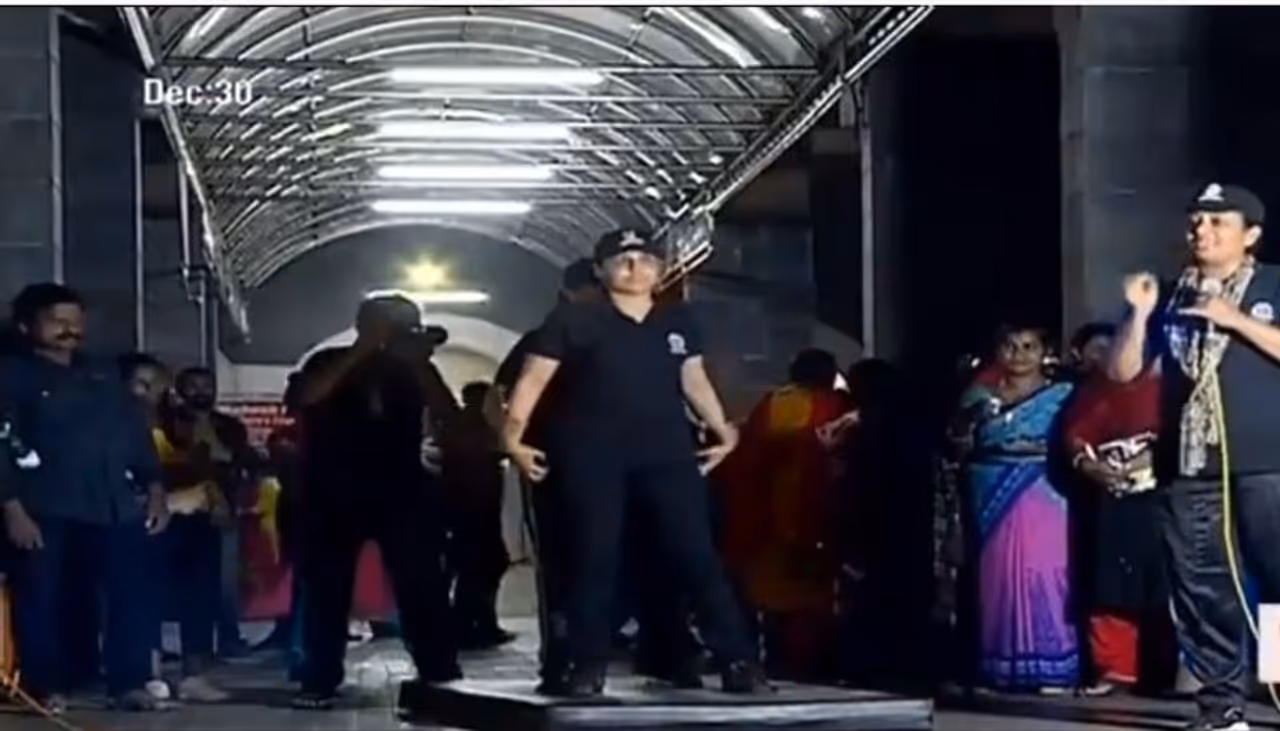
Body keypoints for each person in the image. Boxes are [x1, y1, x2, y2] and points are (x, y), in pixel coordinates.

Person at [501, 229, 769, 697]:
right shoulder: (575, 320)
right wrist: (513, 438)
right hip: (591, 454)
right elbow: (533, 379)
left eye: (645, 260)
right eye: (622, 260)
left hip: (666, 453)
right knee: (594, 557)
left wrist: (723, 428)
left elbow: (693, 379)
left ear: (660, 270)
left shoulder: (676, 320)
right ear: (601, 270)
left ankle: (739, 662)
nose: (634, 268)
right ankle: (586, 666)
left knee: (695, 555)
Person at [1109, 183, 1280, 731]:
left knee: (1277, 583)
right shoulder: (1167, 292)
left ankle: (1278, 686)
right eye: (1195, 222)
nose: (1201, 232)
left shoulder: (1273, 284)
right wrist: (1137, 316)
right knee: (1203, 588)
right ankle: (1222, 706)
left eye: (1217, 222)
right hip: (1187, 466)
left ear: (1251, 235)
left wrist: (1236, 319)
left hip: (1266, 463)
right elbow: (1123, 373)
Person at [490, 258, 704, 690]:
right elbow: (501, 396)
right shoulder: (548, 337)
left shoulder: (639, 331)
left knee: (656, 554)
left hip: (634, 463)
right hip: (560, 466)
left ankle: (664, 651)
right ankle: (568, 660)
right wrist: (514, 443)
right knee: (572, 563)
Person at [0, 284, 170, 713]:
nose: (69, 330)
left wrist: (155, 488)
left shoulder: (103, 375)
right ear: (26, 326)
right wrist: (12, 508)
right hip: (43, 508)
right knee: (43, 601)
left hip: (112, 505)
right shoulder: (11, 376)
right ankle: (45, 687)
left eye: (75, 322)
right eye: (57, 321)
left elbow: (134, 435)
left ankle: (129, 682)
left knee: (128, 596)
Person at [292, 294, 461, 709]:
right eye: (389, 323)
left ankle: (438, 670)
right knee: (327, 586)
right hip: (334, 489)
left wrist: (420, 364)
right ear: (363, 324)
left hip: (401, 488)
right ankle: (319, 675)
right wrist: (363, 350)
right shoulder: (328, 361)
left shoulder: (412, 369)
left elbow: (448, 415)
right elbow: (306, 398)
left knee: (422, 581)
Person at [949, 324, 1079, 693]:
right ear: (997, 352)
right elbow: (958, 447)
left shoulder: (1061, 396)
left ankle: (1054, 668)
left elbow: (1074, 442)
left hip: (1044, 490)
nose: (1019, 355)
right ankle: (999, 669)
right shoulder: (978, 397)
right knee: (998, 579)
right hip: (990, 492)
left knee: (1047, 573)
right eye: (1009, 346)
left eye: (1028, 346)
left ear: (1044, 352)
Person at [715, 348, 848, 680]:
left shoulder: (774, 404)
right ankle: (808, 663)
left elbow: (749, 461)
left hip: (771, 517)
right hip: (815, 516)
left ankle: (777, 659)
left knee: (775, 597)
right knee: (809, 598)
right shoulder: (839, 408)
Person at [1061, 323, 1175, 696]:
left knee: (1166, 587)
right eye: (1096, 351)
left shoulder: (1166, 388)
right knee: (1110, 586)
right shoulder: (1091, 394)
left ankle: (1168, 672)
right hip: (1110, 501)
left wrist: (1153, 458)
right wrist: (1091, 466)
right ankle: (1114, 669)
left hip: (1161, 499)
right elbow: (1075, 439)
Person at [440, 381, 513, 649]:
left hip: (472, 509)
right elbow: (499, 448)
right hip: (475, 509)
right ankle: (470, 624)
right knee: (481, 567)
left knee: (480, 567)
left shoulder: (462, 425)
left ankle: (478, 623)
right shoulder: (474, 428)